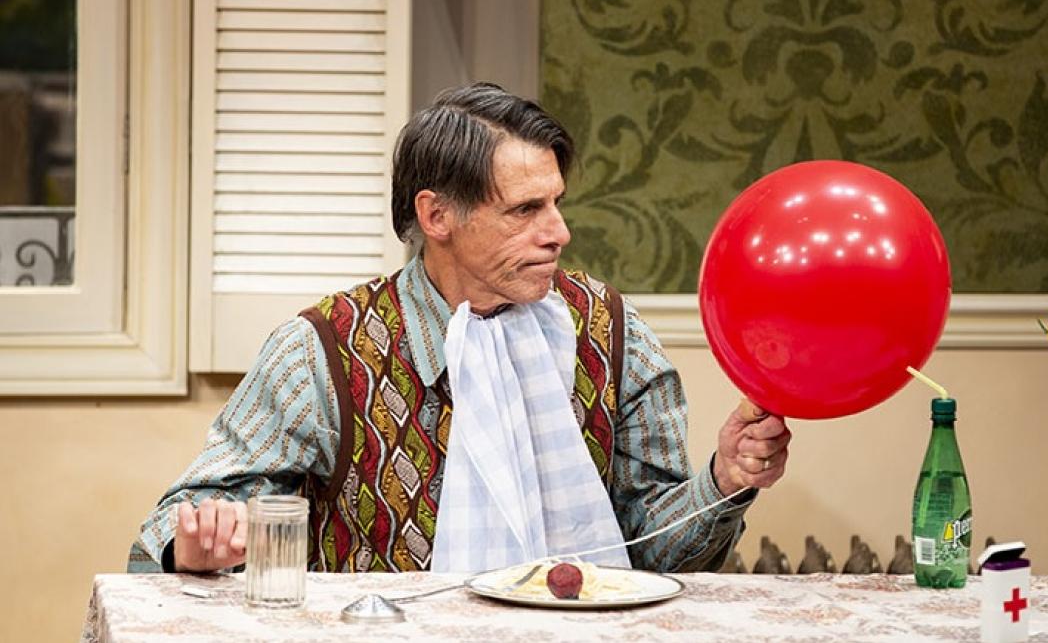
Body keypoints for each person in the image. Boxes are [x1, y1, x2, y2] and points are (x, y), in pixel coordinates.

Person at [128, 82, 791, 575]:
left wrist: (724, 479)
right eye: (525, 210)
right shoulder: (320, 354)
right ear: (437, 216)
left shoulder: (613, 335)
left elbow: (650, 557)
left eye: (557, 203)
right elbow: (171, 525)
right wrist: (198, 541)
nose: (559, 232)